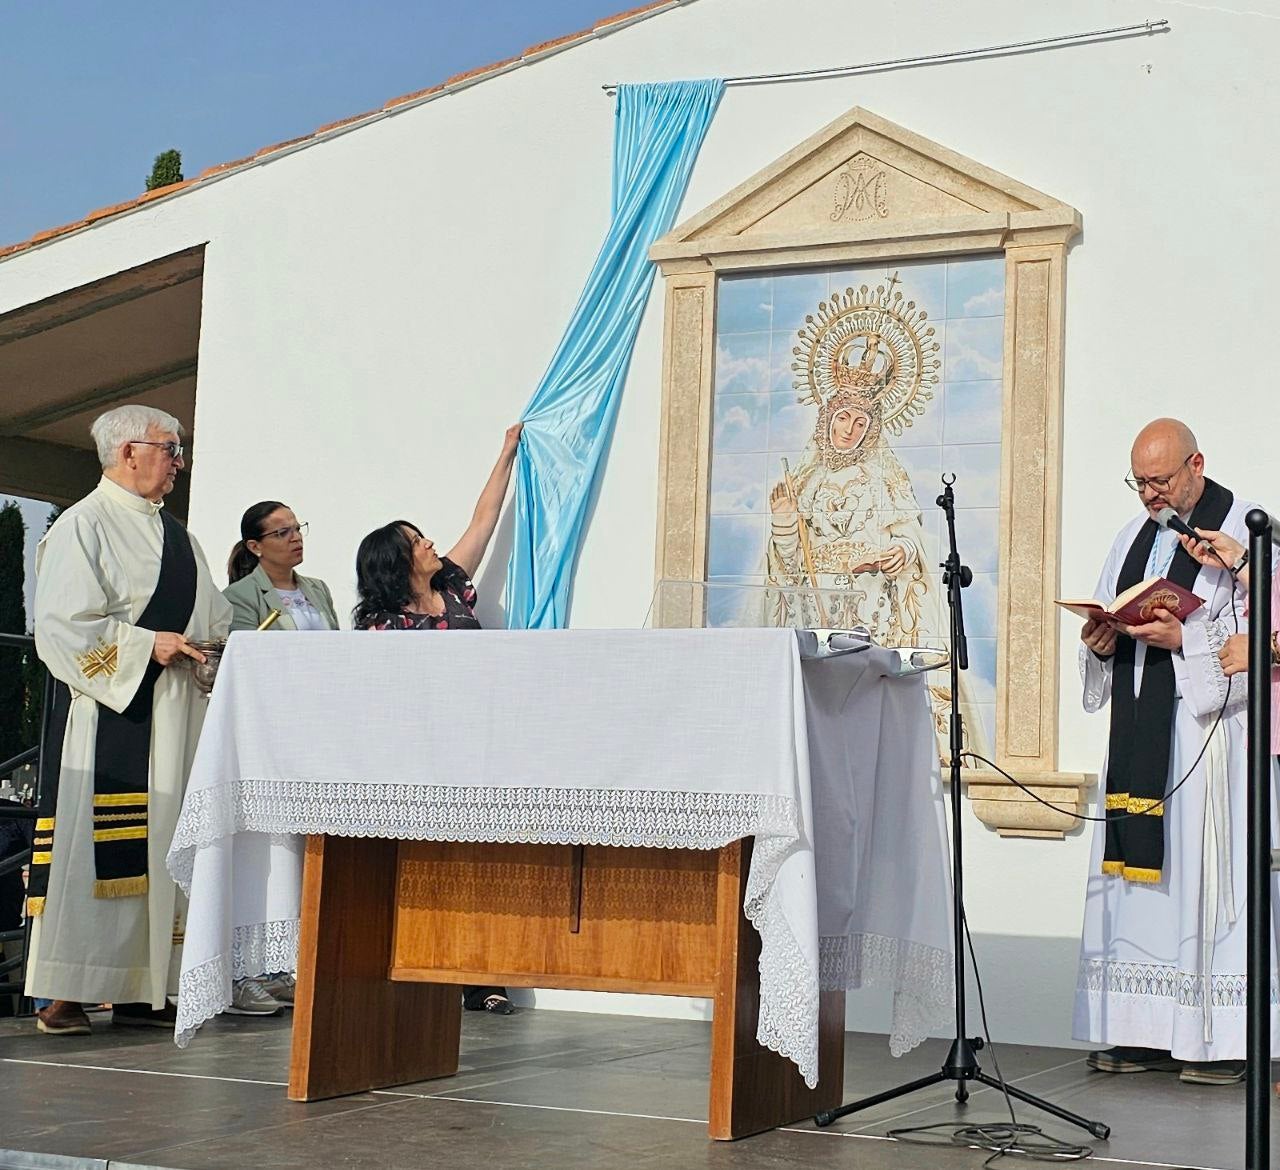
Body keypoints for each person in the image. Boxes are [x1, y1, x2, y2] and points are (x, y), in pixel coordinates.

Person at [1075, 417, 1280, 1085]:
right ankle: (1140, 1031)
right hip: (1140, 732)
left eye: (1159, 480)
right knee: (1142, 896)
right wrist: (1100, 642)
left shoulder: (1245, 529)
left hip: (1210, 736)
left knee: (1204, 882)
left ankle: (1218, 1039)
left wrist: (1183, 640)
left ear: (1197, 464)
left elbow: (1260, 637)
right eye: (1139, 482)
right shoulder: (1131, 536)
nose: (1148, 495)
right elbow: (1110, 609)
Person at [27, 404, 232, 1035]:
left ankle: (151, 988)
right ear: (128, 452)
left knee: (167, 845)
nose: (179, 463)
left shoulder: (182, 538)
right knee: (96, 852)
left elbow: (214, 618)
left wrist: (214, 651)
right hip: (112, 714)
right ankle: (70, 990)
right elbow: (61, 627)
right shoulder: (82, 525)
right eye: (171, 449)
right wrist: (147, 646)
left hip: (178, 715)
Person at [353, 424, 521, 1014]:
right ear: (396, 562)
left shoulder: (451, 587)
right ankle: (418, 968)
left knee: (481, 862)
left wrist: (506, 451)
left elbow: (484, 520)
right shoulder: (381, 625)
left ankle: (482, 975)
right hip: (420, 757)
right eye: (415, 540)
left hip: (477, 744)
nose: (428, 542)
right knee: (425, 866)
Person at [220, 501, 340, 1015]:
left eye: (298, 527)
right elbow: (247, 664)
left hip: (315, 732)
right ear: (255, 546)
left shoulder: (318, 590)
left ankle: (281, 964)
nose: (295, 537)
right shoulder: (239, 598)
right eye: (282, 531)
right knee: (263, 850)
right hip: (270, 737)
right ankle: (243, 970)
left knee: (297, 850)